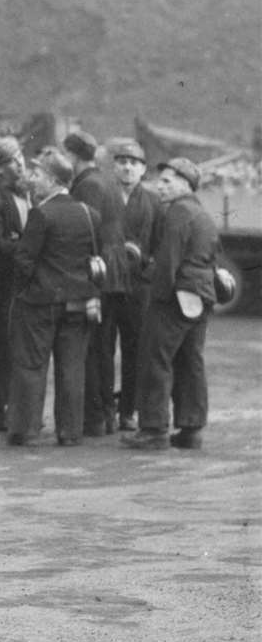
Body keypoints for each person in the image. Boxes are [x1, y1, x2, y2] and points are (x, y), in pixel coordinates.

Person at [7, 149, 102, 447]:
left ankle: (26, 429)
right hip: (79, 301)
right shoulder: (89, 214)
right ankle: (70, 432)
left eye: (37, 174)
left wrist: (24, 289)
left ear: (51, 179)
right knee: (72, 367)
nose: (32, 179)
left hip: (40, 303)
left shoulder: (41, 214)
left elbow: (24, 261)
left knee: (32, 365)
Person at [124, 157, 220, 452]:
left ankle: (153, 429)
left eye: (167, 181)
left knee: (155, 359)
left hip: (175, 296)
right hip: (200, 294)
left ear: (184, 184)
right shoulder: (201, 213)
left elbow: (168, 260)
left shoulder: (178, 212)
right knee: (191, 362)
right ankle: (191, 429)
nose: (160, 186)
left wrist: (156, 295)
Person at [61, 131, 126, 436]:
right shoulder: (106, 181)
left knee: (93, 348)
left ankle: (95, 418)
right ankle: (106, 416)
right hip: (113, 272)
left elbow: (86, 231)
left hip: (98, 272)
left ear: (73, 157)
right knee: (103, 348)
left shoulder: (87, 185)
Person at [108, 139, 161, 432]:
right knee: (101, 348)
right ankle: (102, 409)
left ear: (143, 169)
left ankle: (128, 409)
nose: (128, 167)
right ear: (113, 166)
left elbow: (162, 242)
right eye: (122, 161)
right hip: (108, 284)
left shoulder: (153, 201)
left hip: (138, 288)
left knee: (135, 350)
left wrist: (149, 266)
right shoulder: (104, 195)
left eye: (134, 162)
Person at [0, 136, 30, 431]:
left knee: (19, 347)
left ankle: (15, 405)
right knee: (0, 346)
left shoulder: (25, 193)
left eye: (21, 157)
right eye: (14, 160)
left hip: (23, 282)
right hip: (3, 285)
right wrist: (28, 245)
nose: (21, 164)